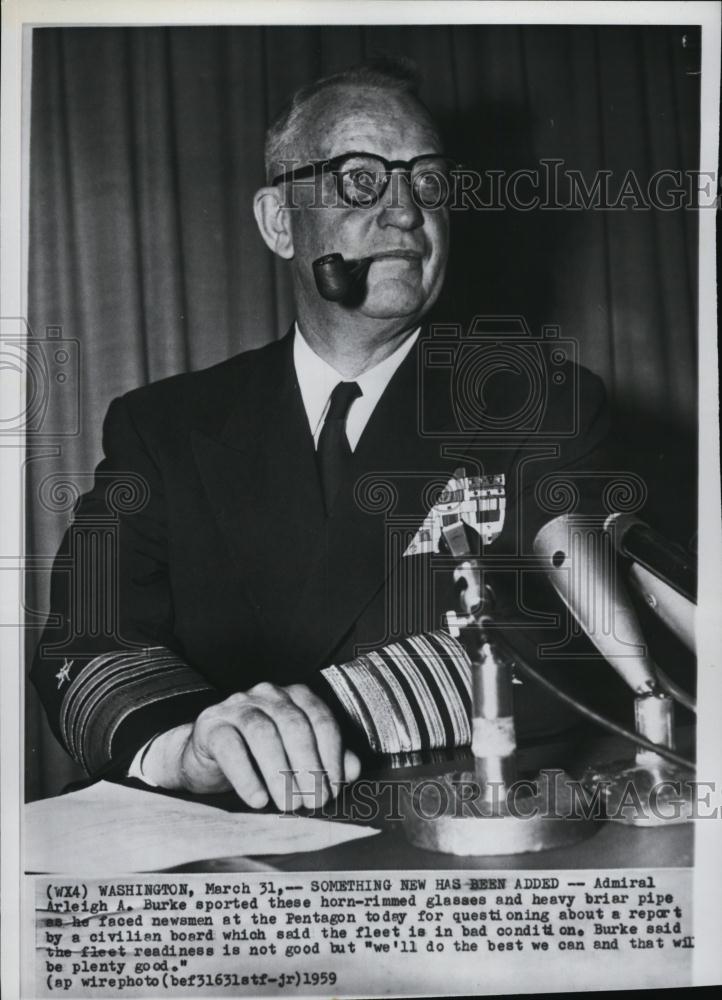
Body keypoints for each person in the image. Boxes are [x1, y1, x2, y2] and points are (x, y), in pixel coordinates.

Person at [32, 59, 611, 811]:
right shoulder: (165, 426)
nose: (407, 212)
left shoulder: (538, 401)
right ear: (279, 222)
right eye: (361, 179)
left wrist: (304, 719)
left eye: (429, 182)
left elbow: (559, 642)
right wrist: (193, 746)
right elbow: (88, 639)